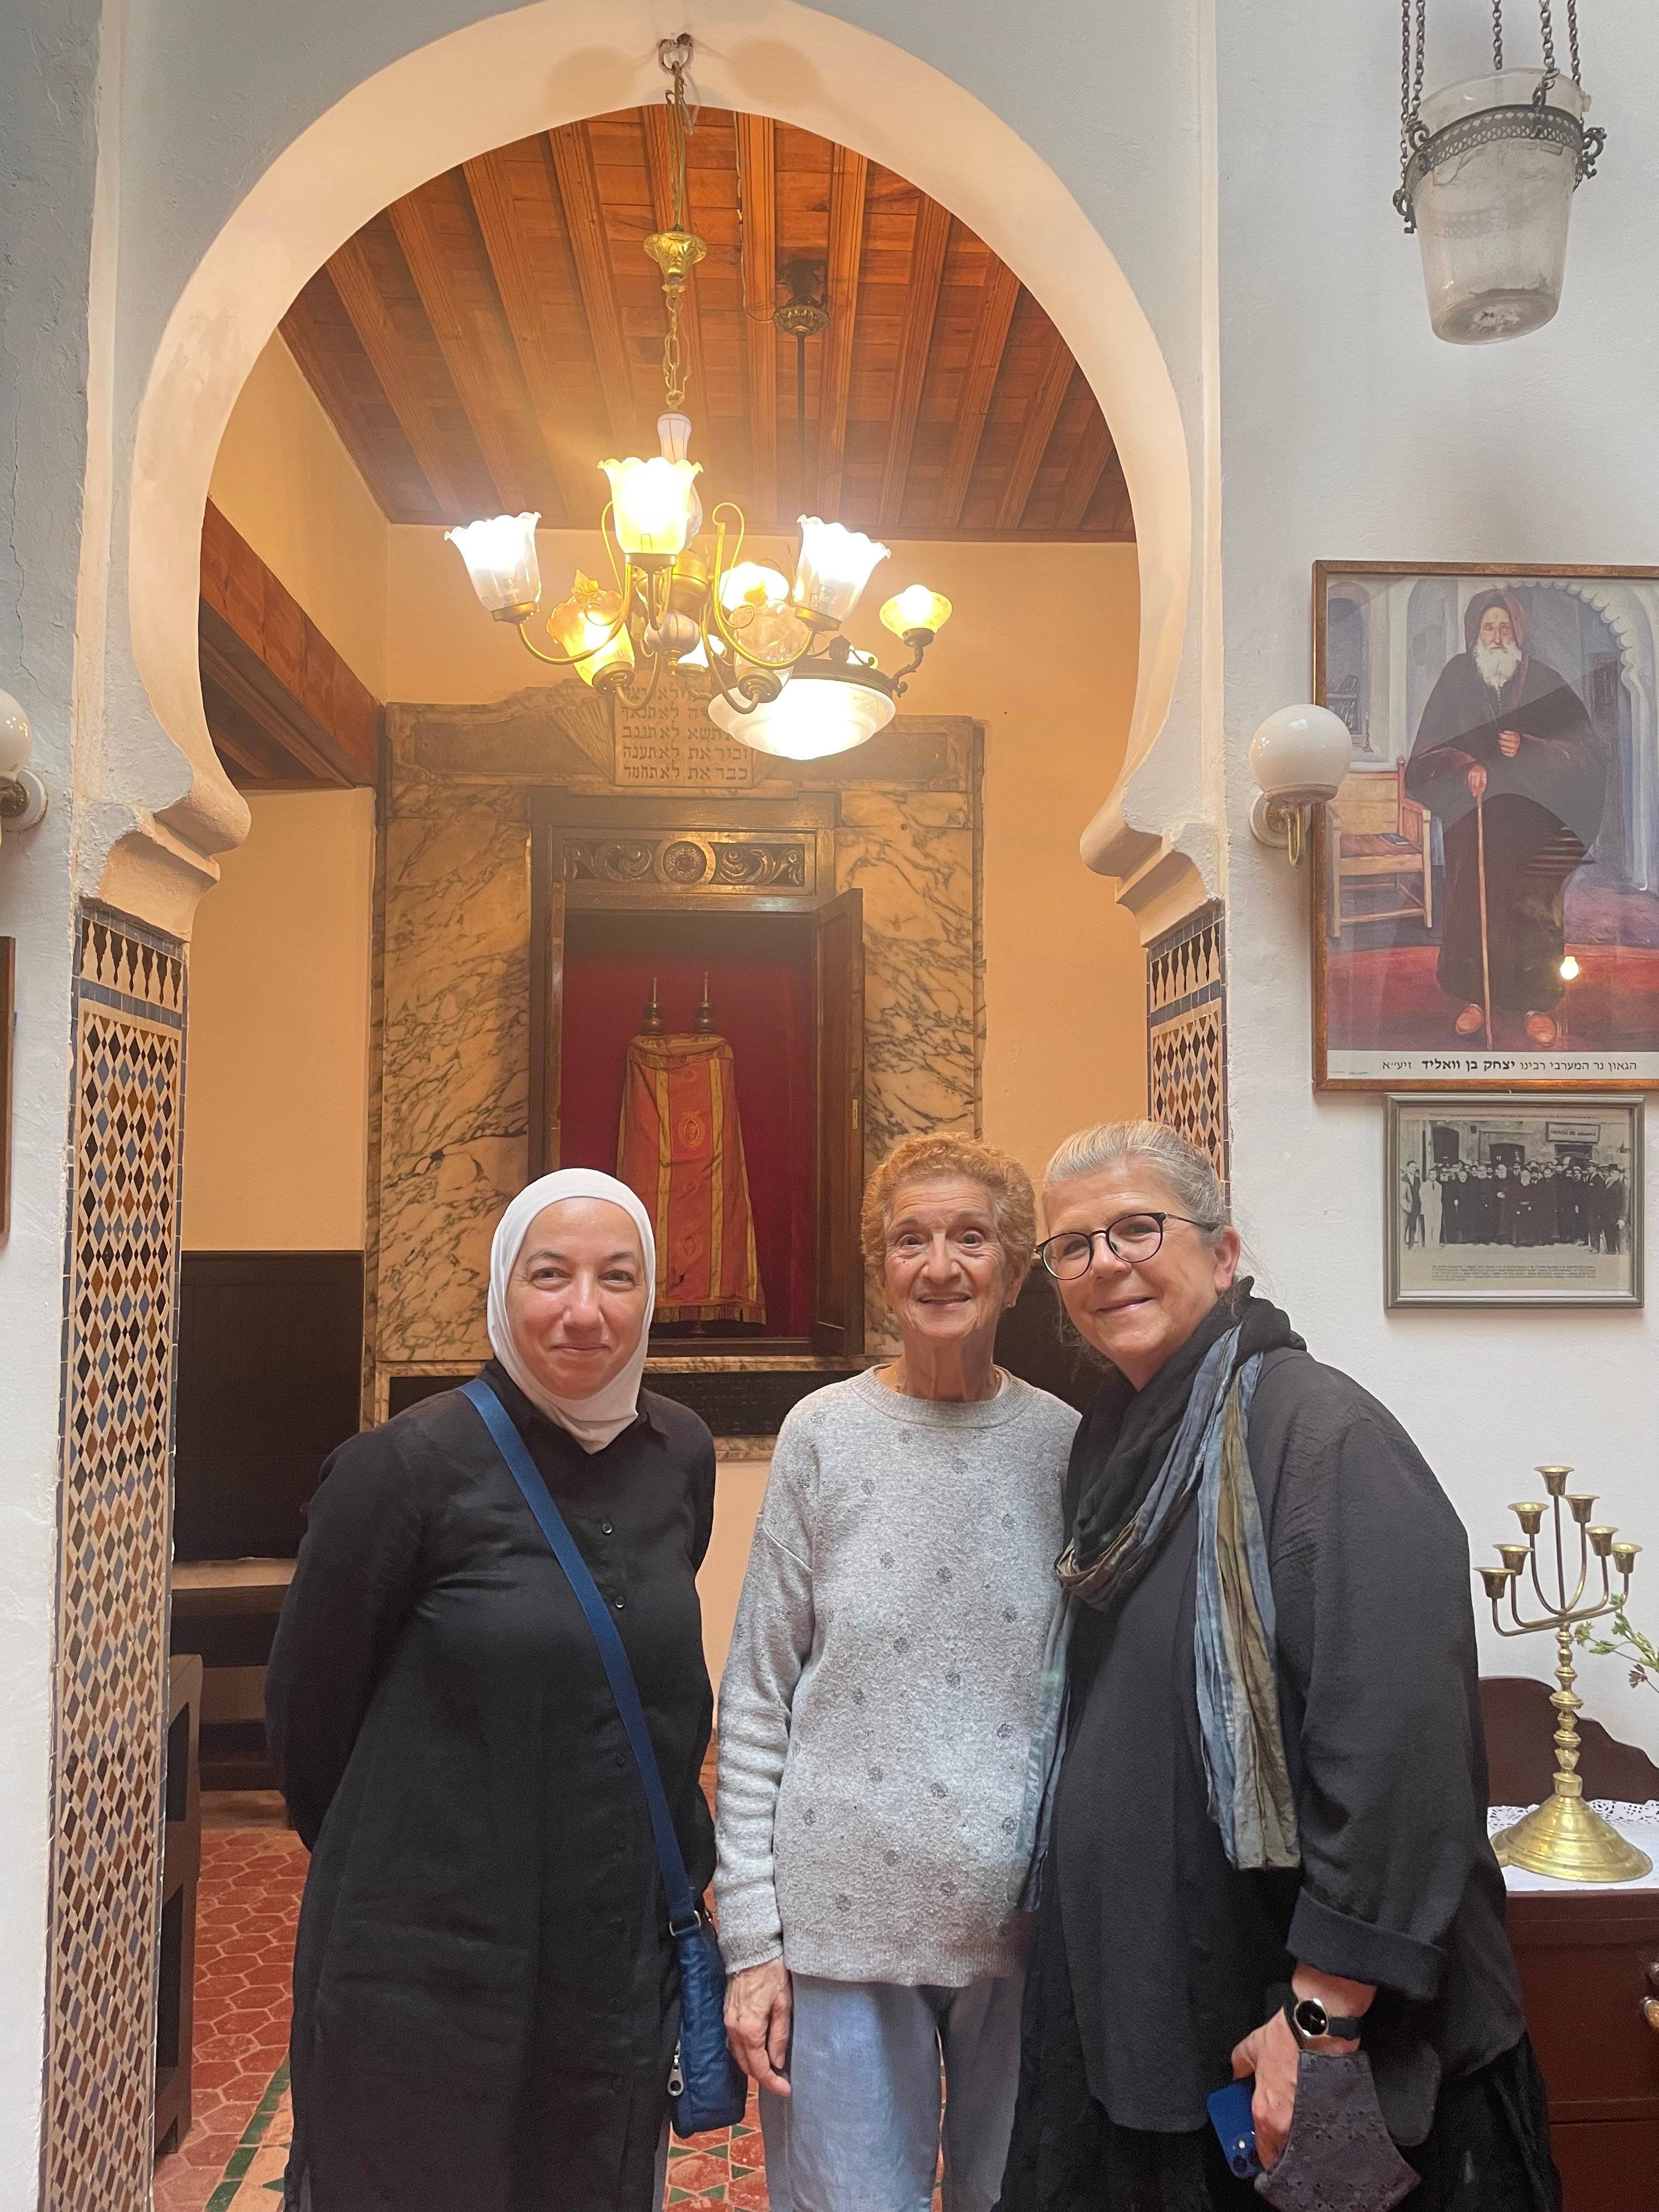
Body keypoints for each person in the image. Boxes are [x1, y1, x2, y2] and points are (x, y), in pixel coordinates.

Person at [996, 1121, 1555, 2212]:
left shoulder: (1321, 1437)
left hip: (1304, 2023)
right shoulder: (1115, 1440)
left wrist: (1324, 2012)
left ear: (1223, 1250)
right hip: (1159, 2010)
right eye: (1072, 1247)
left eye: (1135, 1228)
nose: (1104, 1262)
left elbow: (1400, 1747)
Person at [266, 1169, 718, 2212]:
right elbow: (309, 1729)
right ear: (502, 1290)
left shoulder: (675, 1454)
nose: (582, 1310)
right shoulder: (401, 1469)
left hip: (607, 1955)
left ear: (651, 1295)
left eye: (618, 1277)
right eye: (548, 1274)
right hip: (426, 1964)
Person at [715, 1132, 1081, 2212]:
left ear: (1016, 1271)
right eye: (909, 1241)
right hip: (838, 1923)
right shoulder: (822, 1436)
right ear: (880, 1271)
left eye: (972, 1239)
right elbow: (756, 1696)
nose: (940, 1267)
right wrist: (751, 1938)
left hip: (1024, 1925)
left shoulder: (1069, 1445)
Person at [1404, 588, 1606, 1047]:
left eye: (1505, 627)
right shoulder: (1456, 677)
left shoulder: (1545, 680)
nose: (1497, 637)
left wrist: (1531, 748)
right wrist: (1464, 765)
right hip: (1473, 820)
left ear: (1518, 631)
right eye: (1488, 627)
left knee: (1535, 911)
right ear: (1474, 633)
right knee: (1474, 907)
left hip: (1535, 825)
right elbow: (1427, 752)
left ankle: (1536, 1003)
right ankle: (1477, 999)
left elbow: (1588, 755)